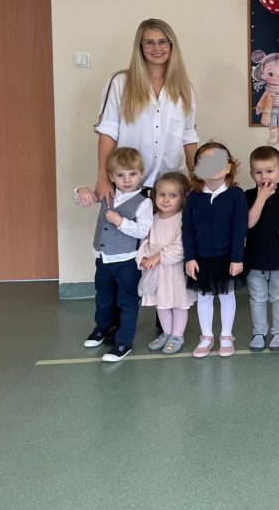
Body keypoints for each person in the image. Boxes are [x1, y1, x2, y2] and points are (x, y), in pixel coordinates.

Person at [91, 19, 198, 202]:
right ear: (140, 46)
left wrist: (197, 180)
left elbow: (189, 136)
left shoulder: (184, 88)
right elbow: (108, 132)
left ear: (172, 45)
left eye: (163, 42)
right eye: (149, 42)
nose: (157, 48)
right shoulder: (120, 82)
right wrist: (103, 177)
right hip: (129, 184)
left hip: (172, 186)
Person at [76, 147, 153, 362]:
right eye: (120, 175)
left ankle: (123, 341)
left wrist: (120, 222)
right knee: (104, 297)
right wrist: (81, 189)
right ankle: (103, 327)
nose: (127, 180)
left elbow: (143, 231)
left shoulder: (144, 202)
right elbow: (82, 199)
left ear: (141, 174)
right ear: (111, 176)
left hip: (127, 261)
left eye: (132, 174)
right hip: (103, 258)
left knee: (127, 301)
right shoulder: (107, 193)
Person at [183, 141, 248, 358]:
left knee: (227, 295)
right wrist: (189, 257)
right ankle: (207, 336)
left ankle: (226, 335)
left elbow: (239, 229)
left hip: (227, 257)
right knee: (204, 296)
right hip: (200, 258)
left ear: (228, 167)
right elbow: (187, 229)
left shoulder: (236, 195)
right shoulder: (193, 198)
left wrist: (237, 258)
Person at [244, 146, 279, 352]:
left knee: (278, 295)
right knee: (257, 298)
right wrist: (261, 197)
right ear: (251, 174)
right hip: (254, 259)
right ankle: (259, 332)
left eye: (269, 171)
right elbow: (248, 223)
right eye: (258, 172)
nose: (264, 176)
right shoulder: (247, 196)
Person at [137, 171, 194, 355]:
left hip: (174, 271)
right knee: (160, 303)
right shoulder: (152, 218)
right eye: (162, 194)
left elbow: (181, 247)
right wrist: (143, 257)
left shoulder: (183, 219)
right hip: (156, 271)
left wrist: (159, 257)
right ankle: (167, 333)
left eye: (173, 195)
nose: (166, 199)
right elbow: (144, 241)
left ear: (182, 198)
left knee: (178, 303)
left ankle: (177, 335)